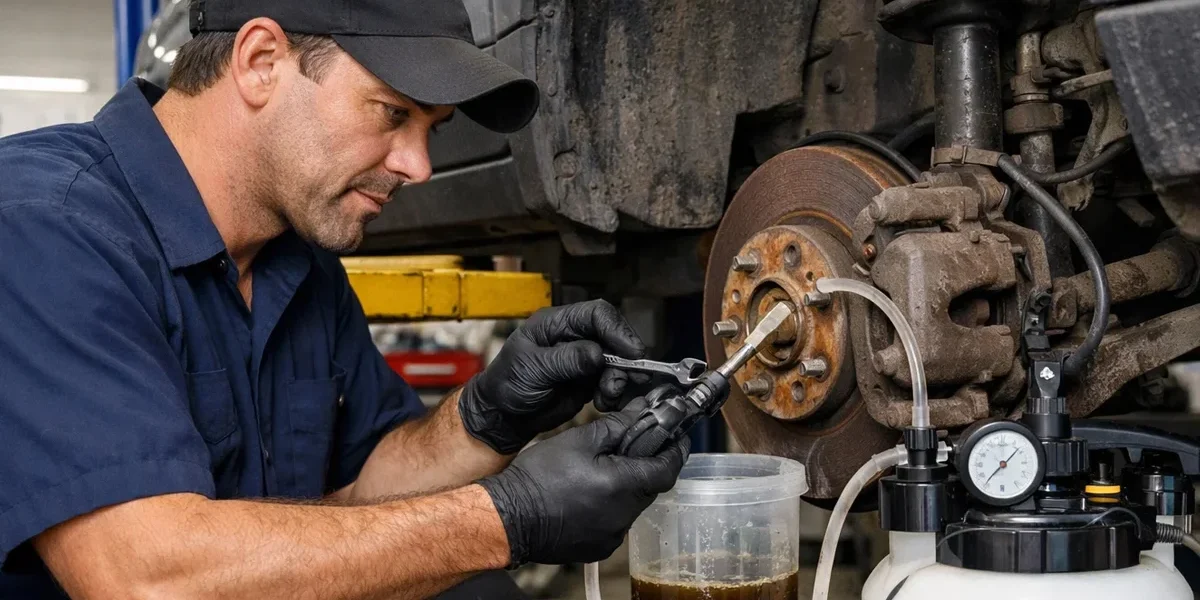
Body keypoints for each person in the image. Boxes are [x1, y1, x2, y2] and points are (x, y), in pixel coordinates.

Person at [0, 1, 689, 598]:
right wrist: (506, 517)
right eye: (393, 113)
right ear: (262, 60)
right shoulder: (43, 226)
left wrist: (486, 419)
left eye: (431, 129)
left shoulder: (297, 254)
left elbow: (360, 496)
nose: (417, 165)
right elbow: (146, 579)